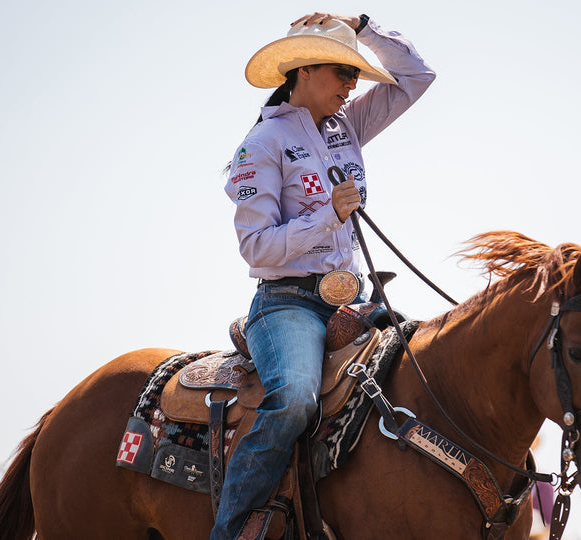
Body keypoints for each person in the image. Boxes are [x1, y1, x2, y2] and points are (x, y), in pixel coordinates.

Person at [215, 11, 435, 539]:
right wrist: (327, 216)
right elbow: (256, 248)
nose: (353, 84)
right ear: (303, 71)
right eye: (343, 72)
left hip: (352, 301)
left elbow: (417, 78)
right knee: (294, 398)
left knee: (428, 372)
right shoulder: (261, 145)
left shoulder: (347, 125)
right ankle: (228, 530)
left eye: (356, 74)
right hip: (287, 304)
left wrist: (362, 27)